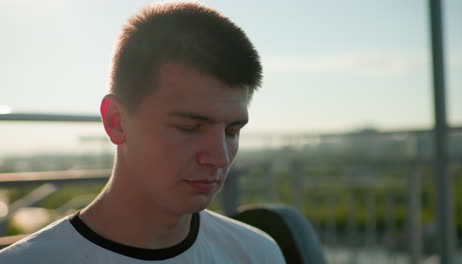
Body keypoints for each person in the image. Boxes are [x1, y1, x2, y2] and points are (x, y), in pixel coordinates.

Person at [0, 2, 286, 263]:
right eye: (189, 128)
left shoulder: (258, 253)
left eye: (232, 131)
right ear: (116, 121)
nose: (220, 158)